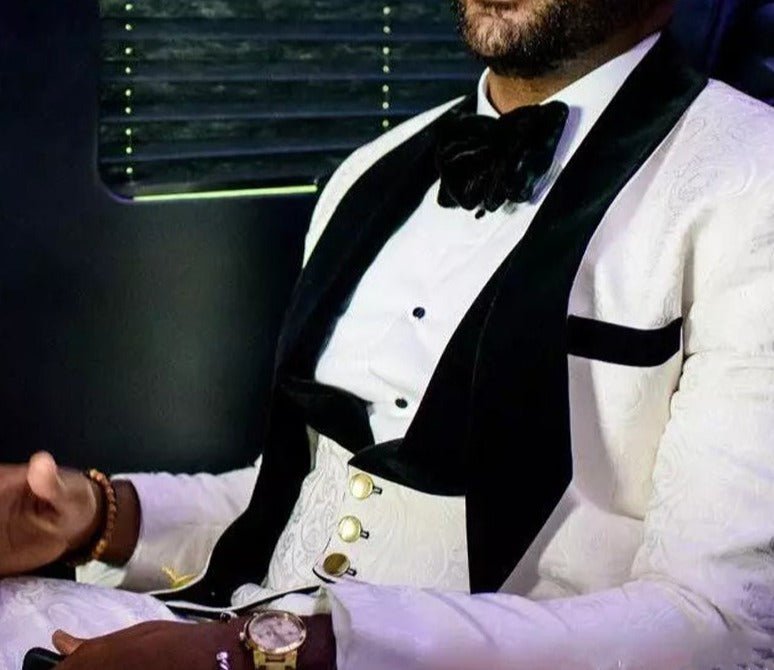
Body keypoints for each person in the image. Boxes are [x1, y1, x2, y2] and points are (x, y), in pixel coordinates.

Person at [1, 0, 773, 668]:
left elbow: (722, 626)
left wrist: (279, 654)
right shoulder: (370, 173)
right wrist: (98, 516)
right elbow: (308, 497)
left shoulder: (750, 189)